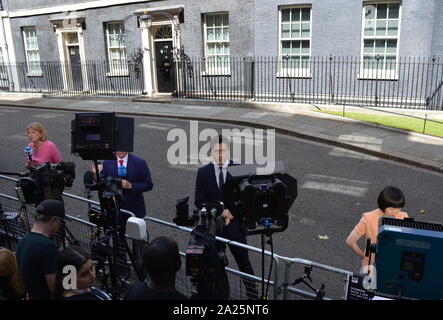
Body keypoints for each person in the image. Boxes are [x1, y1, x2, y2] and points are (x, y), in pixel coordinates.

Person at [194, 135, 258, 300]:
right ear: (211, 152)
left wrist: (232, 213)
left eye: (223, 150)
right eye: (216, 151)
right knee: (215, 266)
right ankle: (219, 296)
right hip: (215, 230)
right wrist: (221, 211)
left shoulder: (239, 170)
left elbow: (247, 200)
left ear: (228, 151)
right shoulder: (203, 172)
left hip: (236, 228)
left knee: (244, 264)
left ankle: (254, 298)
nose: (220, 154)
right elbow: (199, 201)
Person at [346, 186, 409, 269]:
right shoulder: (368, 218)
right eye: (391, 209)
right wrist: (363, 257)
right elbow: (349, 241)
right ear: (382, 205)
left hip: (383, 264)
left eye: (399, 208)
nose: (396, 212)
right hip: (384, 263)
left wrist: (365, 258)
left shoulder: (404, 216)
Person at [16, 199, 65, 300]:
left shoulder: (23, 240)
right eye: (61, 222)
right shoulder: (47, 247)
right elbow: (53, 286)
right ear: (53, 220)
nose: (60, 226)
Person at [92, 151, 153, 218]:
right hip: (113, 209)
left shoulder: (140, 163)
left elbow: (148, 184)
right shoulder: (107, 162)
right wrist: (95, 174)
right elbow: (101, 183)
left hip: (134, 209)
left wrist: (131, 186)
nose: (119, 150)